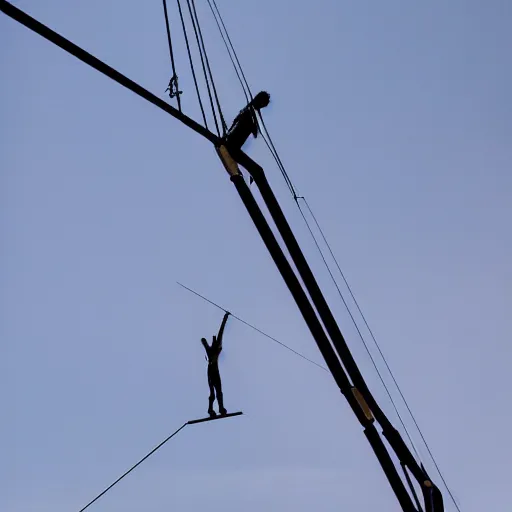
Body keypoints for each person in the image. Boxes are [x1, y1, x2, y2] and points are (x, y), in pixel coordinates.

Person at [201, 311, 230, 417]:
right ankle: (213, 409)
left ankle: (219, 408)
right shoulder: (212, 350)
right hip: (212, 371)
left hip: (213, 371)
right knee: (214, 392)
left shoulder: (214, 348)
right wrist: (204, 342)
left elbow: (220, 332)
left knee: (218, 392)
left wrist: (225, 318)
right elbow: (205, 342)